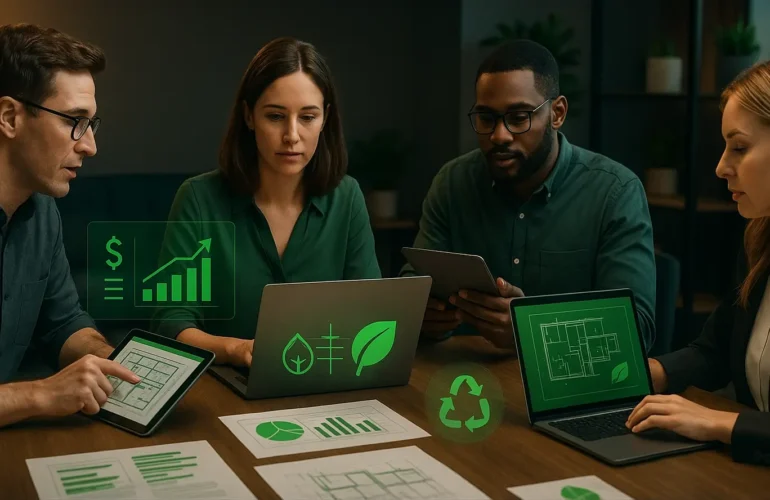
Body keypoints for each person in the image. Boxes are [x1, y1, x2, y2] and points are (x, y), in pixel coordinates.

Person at [401, 40, 656, 351]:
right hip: (465, 375)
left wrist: (531, 330)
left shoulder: (614, 193)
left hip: (566, 379)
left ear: (557, 113)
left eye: (519, 117)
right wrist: (420, 314)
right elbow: (413, 290)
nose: (499, 135)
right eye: (486, 118)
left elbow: (635, 329)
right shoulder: (453, 183)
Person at [152, 37, 380, 367]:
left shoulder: (347, 197)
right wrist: (234, 350)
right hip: (222, 381)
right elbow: (170, 323)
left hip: (325, 378)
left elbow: (371, 312)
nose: (292, 135)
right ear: (249, 116)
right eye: (275, 116)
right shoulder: (199, 198)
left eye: (308, 117)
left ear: (325, 119)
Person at [626, 60, 770, 466]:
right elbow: (716, 350)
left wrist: (722, 423)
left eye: (739, 147)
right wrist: (644, 375)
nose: (721, 167)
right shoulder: (759, 241)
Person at [0, 24, 140, 428]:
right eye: (74, 121)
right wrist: (40, 394)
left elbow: (62, 323)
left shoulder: (43, 212)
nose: (89, 145)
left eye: (92, 123)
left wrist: (107, 360)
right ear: (9, 117)